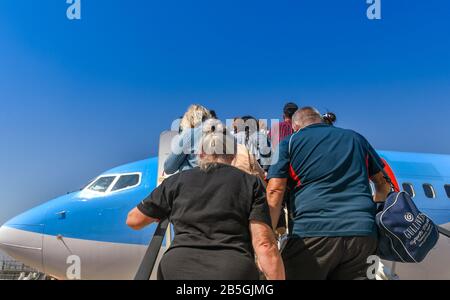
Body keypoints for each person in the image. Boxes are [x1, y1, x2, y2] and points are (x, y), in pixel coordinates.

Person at [126, 120, 285, 280]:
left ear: (200, 154)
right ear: (232, 154)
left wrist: (161, 212)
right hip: (232, 269)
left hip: (177, 268)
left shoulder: (175, 182)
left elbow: (134, 220)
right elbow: (264, 244)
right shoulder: (251, 183)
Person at [266, 107, 392, 280]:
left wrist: (267, 235)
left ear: (295, 126)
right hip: (363, 235)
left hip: (314, 231)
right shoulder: (356, 138)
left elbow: (275, 190)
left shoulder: (289, 142)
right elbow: (383, 185)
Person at [164, 104, 212, 174]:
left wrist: (184, 132)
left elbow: (169, 168)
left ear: (190, 118)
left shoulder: (190, 134)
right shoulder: (222, 132)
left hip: (194, 181)